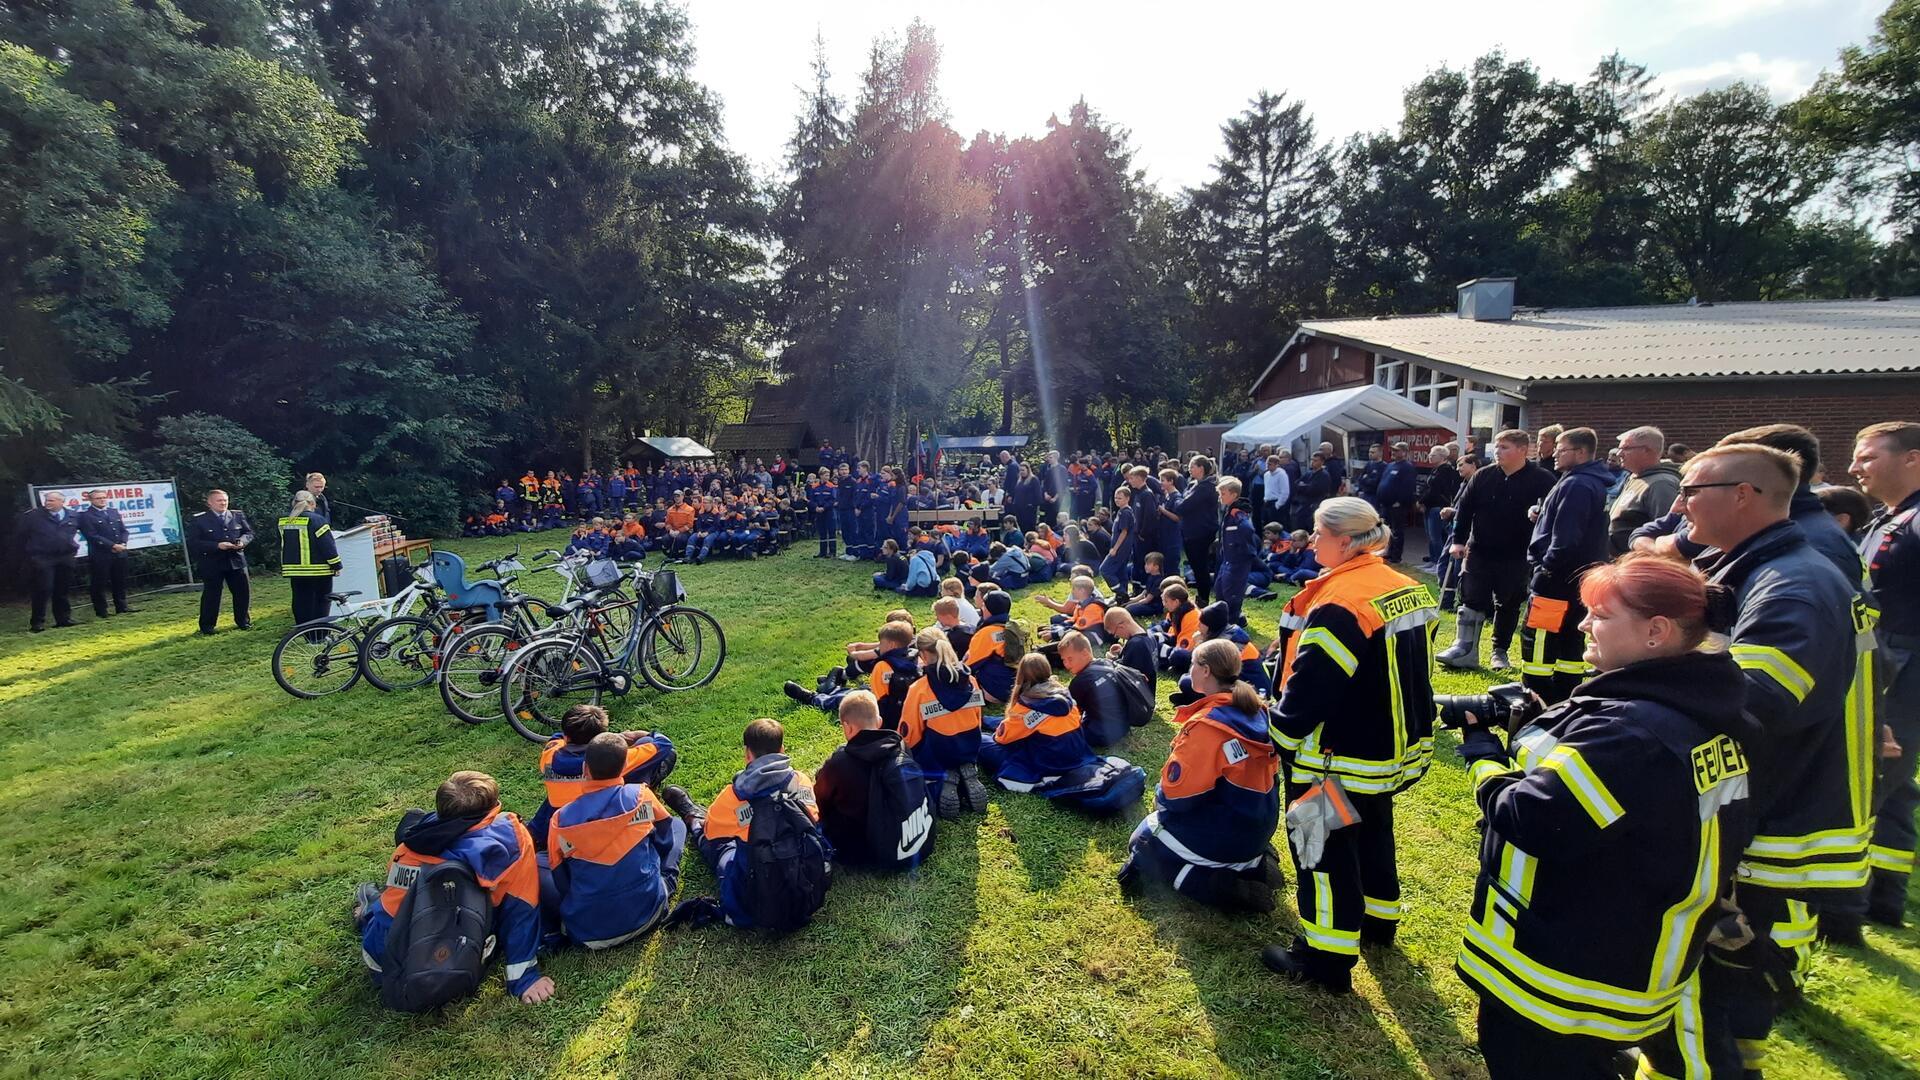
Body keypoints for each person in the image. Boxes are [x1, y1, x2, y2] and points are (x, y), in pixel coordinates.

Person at [1454, 554, 1758, 1079]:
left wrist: (1484, 755)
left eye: (1600, 615)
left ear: (1656, 632)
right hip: (1635, 949)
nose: (1582, 625)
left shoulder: (1629, 732)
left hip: (1567, 973)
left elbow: (1532, 816)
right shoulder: (1707, 708)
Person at [1643, 443, 1867, 1079]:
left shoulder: (1794, 584)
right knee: (1729, 997)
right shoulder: (1764, 566)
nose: (1679, 503)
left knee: (1715, 979)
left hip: (1766, 815)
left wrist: (1637, 690)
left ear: (1743, 495)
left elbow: (1755, 701)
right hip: (1756, 803)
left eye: (1692, 490)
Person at [1261, 497, 1437, 994]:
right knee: (1374, 830)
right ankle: (1379, 922)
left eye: (1317, 532)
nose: (1311, 540)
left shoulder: (1341, 602)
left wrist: (1282, 737)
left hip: (1334, 754)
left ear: (1344, 539)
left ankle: (1326, 959)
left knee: (1320, 847)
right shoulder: (1405, 587)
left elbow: (1314, 685)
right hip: (1388, 749)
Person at [352, 770, 552, 1006]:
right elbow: (522, 909)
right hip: (449, 966)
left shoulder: (410, 842)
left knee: (391, 905)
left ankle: (367, 912)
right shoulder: (510, 839)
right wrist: (525, 979)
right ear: (492, 809)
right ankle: (367, 909)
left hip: (381, 963)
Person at [1120, 637, 1281, 911]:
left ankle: (1218, 886)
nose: (1188, 670)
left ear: (1205, 670)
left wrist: (1161, 802)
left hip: (1224, 836)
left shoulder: (1208, 727)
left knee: (1143, 840)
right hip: (1258, 826)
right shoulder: (1258, 710)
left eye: (1193, 663)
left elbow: (1177, 796)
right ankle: (1253, 865)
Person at [1851, 421, 1920, 929]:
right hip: (1886, 665)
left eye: (1868, 457)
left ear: (1912, 459)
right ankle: (1883, 901)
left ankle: (1847, 907)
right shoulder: (1888, 519)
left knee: (1874, 778)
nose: (1855, 468)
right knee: (1892, 787)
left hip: (1906, 672)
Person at [669, 719, 832, 932]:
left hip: (758, 881)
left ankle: (693, 820)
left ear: (747, 754)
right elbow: (813, 816)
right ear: (782, 749)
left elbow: (713, 833)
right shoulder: (800, 780)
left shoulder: (732, 796)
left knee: (718, 845)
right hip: (803, 877)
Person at [541, 733, 688, 950]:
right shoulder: (641, 795)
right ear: (626, 767)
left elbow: (561, 878)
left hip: (586, 933)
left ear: (585, 770)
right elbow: (665, 840)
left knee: (539, 863)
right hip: (650, 914)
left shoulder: (560, 820)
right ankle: (665, 881)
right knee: (677, 825)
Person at [1439, 430, 1557, 672]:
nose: (1497, 451)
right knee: (1471, 598)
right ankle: (1464, 648)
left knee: (1508, 603)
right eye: (1497, 446)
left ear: (1523, 450)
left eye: (1504, 447)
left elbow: (1553, 516)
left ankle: (1499, 651)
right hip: (1480, 549)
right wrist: (1458, 541)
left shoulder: (1543, 479)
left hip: (1517, 554)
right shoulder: (1483, 476)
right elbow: (1465, 510)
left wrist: (1539, 519)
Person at [978, 653, 1146, 813]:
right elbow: (1029, 722)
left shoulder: (1027, 706)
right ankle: (984, 721)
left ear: (1021, 676)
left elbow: (1003, 737)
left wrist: (995, 725)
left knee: (980, 741)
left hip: (1049, 764)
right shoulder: (1065, 696)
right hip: (1075, 755)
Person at [1522, 428, 1613, 705]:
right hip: (1579, 579)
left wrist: (1547, 568)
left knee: (1539, 638)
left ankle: (1535, 696)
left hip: (1556, 580)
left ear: (1581, 452)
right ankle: (1565, 695)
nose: (1554, 454)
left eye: (1561, 450)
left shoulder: (1577, 485)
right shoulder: (1589, 482)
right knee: (1570, 639)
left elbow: (1567, 536)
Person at [814, 690, 935, 871]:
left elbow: (819, 804)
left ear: (847, 727)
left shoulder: (840, 763)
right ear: (879, 722)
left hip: (865, 853)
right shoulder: (900, 745)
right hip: (912, 838)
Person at [528, 704, 677, 844]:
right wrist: (628, 736)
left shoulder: (549, 756)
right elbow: (664, 745)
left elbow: (557, 738)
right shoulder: (611, 758)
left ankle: (536, 835)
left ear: (567, 737)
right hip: (599, 813)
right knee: (664, 752)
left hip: (560, 816)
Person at [900, 630, 991, 818]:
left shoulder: (919, 689)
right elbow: (977, 719)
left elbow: (910, 733)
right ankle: (965, 769)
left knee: (912, 754)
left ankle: (942, 777)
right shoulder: (971, 680)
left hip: (938, 751)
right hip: (970, 745)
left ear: (923, 655)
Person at [1059, 629, 1152, 747]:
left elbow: (1071, 713)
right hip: (1124, 726)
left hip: (1101, 735)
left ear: (1085, 653)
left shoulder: (1080, 682)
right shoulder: (1107, 663)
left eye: (1070, 659)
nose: (1066, 664)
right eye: (1064, 660)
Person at [1607, 426, 1682, 556]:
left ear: (1646, 450)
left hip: (1640, 567)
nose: (1619, 453)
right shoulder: (1634, 478)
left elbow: (1667, 533)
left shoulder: (1661, 484)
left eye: (1626, 448)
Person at [187, 489, 254, 635]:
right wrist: (216, 546)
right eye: (219, 500)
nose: (223, 503)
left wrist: (242, 542)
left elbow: (248, 533)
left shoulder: (237, 515)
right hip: (212, 562)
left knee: (242, 593)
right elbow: (194, 542)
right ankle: (207, 626)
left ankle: (243, 621)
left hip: (235, 560)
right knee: (212, 594)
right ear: (209, 503)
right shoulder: (200, 520)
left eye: (225, 500)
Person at [18, 490, 80, 632]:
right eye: (46, 500)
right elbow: (21, 536)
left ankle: (63, 619)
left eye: (51, 501)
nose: (47, 503)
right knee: (43, 589)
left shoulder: (73, 515)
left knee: (62, 589)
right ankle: (37, 622)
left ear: (61, 502)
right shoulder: (33, 516)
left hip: (65, 557)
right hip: (43, 558)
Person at [279, 490, 342, 626]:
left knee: (301, 601)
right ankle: (319, 633)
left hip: (294, 570)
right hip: (319, 570)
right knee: (321, 602)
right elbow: (327, 546)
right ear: (312, 503)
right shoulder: (318, 520)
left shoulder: (284, 521)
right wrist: (336, 565)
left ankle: (303, 630)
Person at [75, 489, 136, 618]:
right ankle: (102, 611)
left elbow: (123, 530)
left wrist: (123, 544)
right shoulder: (86, 516)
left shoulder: (112, 512)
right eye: (98, 498)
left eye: (104, 497)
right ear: (91, 500)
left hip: (119, 552)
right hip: (100, 554)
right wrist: (112, 545)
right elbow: (92, 535)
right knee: (99, 583)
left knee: (119, 580)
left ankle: (122, 606)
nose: (102, 500)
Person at [1169, 456, 1220, 606]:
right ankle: (1201, 594)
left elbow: (1181, 507)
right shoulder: (1193, 484)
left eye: (1193, 466)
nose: (1189, 469)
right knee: (1195, 565)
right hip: (1190, 530)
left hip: (1201, 532)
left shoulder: (1206, 487)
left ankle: (1203, 597)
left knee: (1200, 565)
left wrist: (1174, 495)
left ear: (1201, 468)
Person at [1214, 476, 1258, 621]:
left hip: (1237, 561)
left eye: (1223, 494)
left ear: (1233, 495)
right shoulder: (1229, 510)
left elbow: (1247, 529)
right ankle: (1223, 619)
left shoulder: (1238, 512)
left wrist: (1238, 547)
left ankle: (1232, 622)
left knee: (1231, 594)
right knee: (1220, 589)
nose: (1220, 497)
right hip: (1227, 559)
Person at [1420, 445, 1460, 571]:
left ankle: (1439, 563)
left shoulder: (1445, 470)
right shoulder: (1435, 470)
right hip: (1429, 506)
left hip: (1438, 506)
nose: (1430, 457)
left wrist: (1422, 500)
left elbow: (1435, 490)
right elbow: (1427, 487)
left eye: (1433, 455)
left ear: (1442, 457)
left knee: (1436, 536)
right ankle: (1433, 560)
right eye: (1430, 454)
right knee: (1430, 535)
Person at [1377, 443, 1418, 563]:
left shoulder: (1407, 467)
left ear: (1404, 452)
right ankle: (1387, 551)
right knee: (1386, 530)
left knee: (1397, 531)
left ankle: (1396, 555)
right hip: (1385, 504)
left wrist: (1399, 501)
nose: (1393, 453)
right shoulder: (1390, 465)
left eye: (1397, 451)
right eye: (1393, 450)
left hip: (1397, 506)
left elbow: (1408, 487)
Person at [807, 467, 838, 558]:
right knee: (822, 532)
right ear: (820, 475)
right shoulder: (814, 487)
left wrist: (824, 507)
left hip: (829, 512)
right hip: (819, 512)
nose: (827, 477)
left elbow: (833, 500)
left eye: (828, 475)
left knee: (831, 532)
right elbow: (811, 500)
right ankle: (822, 552)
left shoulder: (831, 486)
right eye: (825, 475)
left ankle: (832, 552)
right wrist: (815, 507)